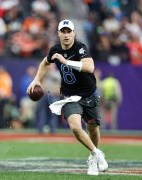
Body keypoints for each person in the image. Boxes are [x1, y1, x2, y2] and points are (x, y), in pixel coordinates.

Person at [27, 19, 108, 175]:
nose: (66, 35)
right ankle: (97, 153)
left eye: (68, 31)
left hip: (89, 94)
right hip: (69, 95)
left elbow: (90, 67)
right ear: (58, 34)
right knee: (76, 128)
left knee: (93, 128)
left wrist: (66, 62)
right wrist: (37, 79)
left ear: (73, 33)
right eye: (63, 32)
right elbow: (45, 62)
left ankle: (92, 156)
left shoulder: (80, 48)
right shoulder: (55, 50)